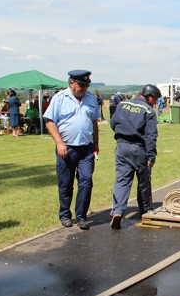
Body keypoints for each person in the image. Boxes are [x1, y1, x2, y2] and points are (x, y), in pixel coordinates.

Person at [43, 70, 100, 230]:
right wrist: (59, 143)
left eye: (86, 85)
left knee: (86, 181)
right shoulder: (60, 98)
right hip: (66, 148)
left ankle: (81, 216)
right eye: (80, 85)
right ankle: (65, 215)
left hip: (86, 148)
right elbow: (50, 122)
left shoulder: (91, 99)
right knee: (65, 183)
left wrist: (96, 143)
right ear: (71, 83)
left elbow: (94, 122)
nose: (83, 88)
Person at [109, 85, 161, 229]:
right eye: (155, 99)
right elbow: (151, 135)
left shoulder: (122, 104)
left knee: (122, 180)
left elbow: (113, 123)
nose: (155, 102)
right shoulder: (148, 110)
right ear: (148, 96)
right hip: (139, 148)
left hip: (121, 146)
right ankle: (144, 210)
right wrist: (151, 155)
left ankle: (118, 211)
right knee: (143, 181)